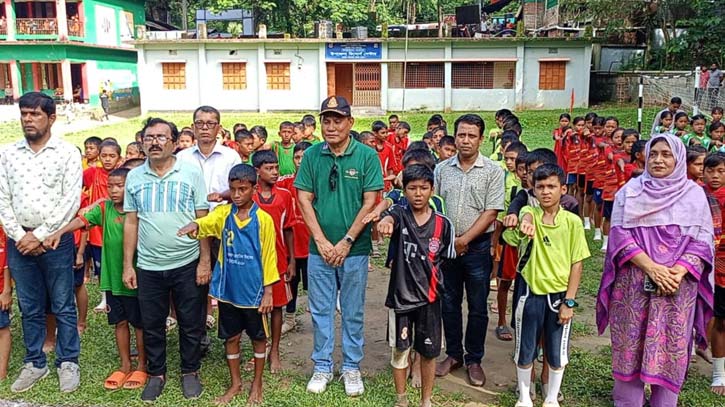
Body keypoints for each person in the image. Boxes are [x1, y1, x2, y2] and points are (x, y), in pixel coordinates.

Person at [596, 133, 715, 406]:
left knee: (671, 349)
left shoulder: (695, 196)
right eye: (654, 154)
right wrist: (651, 267)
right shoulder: (631, 192)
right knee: (630, 345)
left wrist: (680, 270)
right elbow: (619, 236)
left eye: (666, 154)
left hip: (676, 287)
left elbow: (702, 243)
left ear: (679, 158)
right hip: (634, 284)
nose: (658, 159)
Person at [294, 96, 383, 396]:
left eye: (337, 120)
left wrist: (346, 241)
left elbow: (370, 202)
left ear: (350, 123)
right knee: (320, 310)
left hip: (354, 251)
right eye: (326, 121)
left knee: (353, 310)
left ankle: (351, 367)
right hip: (319, 249)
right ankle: (322, 366)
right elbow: (304, 198)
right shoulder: (311, 156)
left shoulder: (367, 156)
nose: (331, 127)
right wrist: (320, 240)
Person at [122, 117, 210, 402]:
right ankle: (156, 374)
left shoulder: (190, 172)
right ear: (142, 142)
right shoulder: (134, 177)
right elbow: (132, 223)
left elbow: (202, 220)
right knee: (152, 323)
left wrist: (204, 262)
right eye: (149, 137)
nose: (155, 142)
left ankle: (189, 372)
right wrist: (128, 265)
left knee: (191, 321)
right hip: (148, 265)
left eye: (161, 137)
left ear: (174, 141)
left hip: (186, 261)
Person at [0, 92, 82, 393]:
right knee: (30, 305)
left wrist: (42, 233)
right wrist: (21, 236)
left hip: (55, 240)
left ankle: (68, 362)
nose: (28, 119)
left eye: (35, 114)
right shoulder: (8, 154)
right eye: (24, 114)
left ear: (51, 118)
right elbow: (2, 199)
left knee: (62, 304)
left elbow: (70, 199)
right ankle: (35, 362)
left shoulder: (67, 153)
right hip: (19, 241)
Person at [177, 163, 278, 405]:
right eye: (233, 189)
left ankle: (257, 383)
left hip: (253, 293)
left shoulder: (263, 220)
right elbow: (207, 223)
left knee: (258, 338)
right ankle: (235, 383)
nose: (236, 195)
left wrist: (268, 292)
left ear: (253, 188)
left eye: (242, 189)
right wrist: (195, 225)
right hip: (228, 291)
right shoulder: (224, 214)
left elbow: (269, 257)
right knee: (231, 337)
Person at [46, 167, 147, 391]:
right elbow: (81, 220)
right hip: (112, 280)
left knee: (139, 324)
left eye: (119, 185)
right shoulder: (104, 208)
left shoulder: (139, 210)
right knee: (119, 322)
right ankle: (124, 364)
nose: (114, 190)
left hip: (135, 278)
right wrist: (60, 232)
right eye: (110, 186)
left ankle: (142, 364)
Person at [503, 164, 590, 407]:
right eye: (540, 187)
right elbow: (521, 221)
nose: (546, 192)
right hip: (530, 294)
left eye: (552, 186)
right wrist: (525, 221)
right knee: (525, 349)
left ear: (563, 189)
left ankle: (551, 398)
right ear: (534, 189)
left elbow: (577, 264)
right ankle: (524, 398)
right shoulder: (528, 215)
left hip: (559, 297)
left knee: (556, 353)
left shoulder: (572, 222)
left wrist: (569, 301)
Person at [434, 114, 504, 387]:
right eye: (461, 135)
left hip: (477, 247)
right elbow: (436, 206)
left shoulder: (493, 171)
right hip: (446, 246)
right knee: (449, 303)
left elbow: (492, 212)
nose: (465, 140)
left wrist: (465, 240)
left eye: (471, 135)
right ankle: (453, 355)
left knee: (477, 306)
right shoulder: (442, 169)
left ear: (481, 139)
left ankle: (474, 358)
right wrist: (449, 241)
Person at [377, 164, 456, 407]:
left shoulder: (444, 225)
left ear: (432, 190)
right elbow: (389, 215)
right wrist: (385, 221)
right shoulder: (400, 215)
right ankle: (401, 399)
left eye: (424, 188)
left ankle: (426, 400)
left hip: (430, 300)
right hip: (400, 299)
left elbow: (447, 260)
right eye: (412, 188)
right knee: (400, 350)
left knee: (430, 353)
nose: (418, 193)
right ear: (405, 191)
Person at [177, 106, 241, 339]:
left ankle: (229, 336)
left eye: (210, 123)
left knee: (226, 280)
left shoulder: (230, 156)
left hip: (223, 228)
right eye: (200, 123)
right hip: (191, 228)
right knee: (194, 285)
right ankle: (198, 335)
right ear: (193, 127)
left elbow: (239, 187)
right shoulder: (181, 158)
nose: (205, 128)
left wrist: (222, 196)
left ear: (219, 128)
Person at [251, 150, 296, 373]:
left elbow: (288, 229)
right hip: (251, 261)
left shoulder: (285, 196)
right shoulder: (249, 195)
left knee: (277, 306)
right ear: (257, 171)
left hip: (277, 260)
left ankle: (275, 349)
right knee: (254, 307)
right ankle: (260, 347)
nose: (275, 172)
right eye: (269, 168)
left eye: (276, 167)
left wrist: (291, 260)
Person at [493, 141, 527, 342]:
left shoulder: (536, 187)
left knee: (526, 288)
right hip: (509, 239)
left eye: (513, 159)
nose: (510, 163)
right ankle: (501, 322)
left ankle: (524, 326)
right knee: (504, 282)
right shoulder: (505, 179)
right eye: (508, 159)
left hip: (529, 244)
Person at [277, 141, 313, 334]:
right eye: (297, 157)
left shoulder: (320, 183)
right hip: (289, 247)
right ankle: (289, 318)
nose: (301, 161)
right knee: (290, 283)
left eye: (305, 157)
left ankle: (319, 319)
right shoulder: (284, 183)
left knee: (314, 286)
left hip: (311, 246)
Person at [83, 140, 122, 313]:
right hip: (97, 229)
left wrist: (100, 201)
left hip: (117, 225)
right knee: (100, 265)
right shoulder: (92, 172)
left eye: (112, 156)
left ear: (119, 158)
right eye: (104, 156)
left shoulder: (123, 174)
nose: (107, 159)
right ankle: (105, 297)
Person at [704, 152, 725, 396]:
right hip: (713, 267)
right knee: (720, 320)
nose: (716, 176)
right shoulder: (699, 194)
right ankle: (719, 374)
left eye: (721, 171)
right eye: (711, 171)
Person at [0, 227, 12, 380]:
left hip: (1, 287)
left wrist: (7, 290)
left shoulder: (2, 231)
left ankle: (2, 371)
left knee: (2, 329)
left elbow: (7, 264)